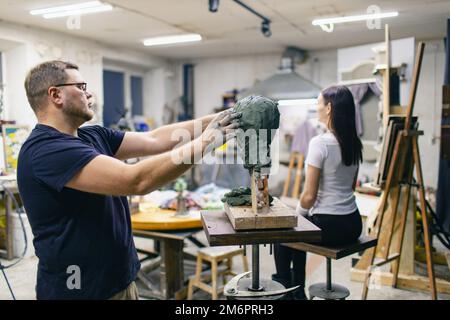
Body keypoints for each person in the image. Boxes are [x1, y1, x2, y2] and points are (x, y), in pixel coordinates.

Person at [17, 60, 241, 300]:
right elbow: (136, 180)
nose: (88, 93)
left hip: (119, 281)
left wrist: (224, 117)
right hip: (80, 290)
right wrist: (206, 143)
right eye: (81, 86)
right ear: (56, 95)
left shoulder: (92, 135)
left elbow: (154, 139)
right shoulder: (46, 150)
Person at [273, 85, 363, 300]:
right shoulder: (354, 143)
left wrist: (296, 216)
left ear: (329, 108)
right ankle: (297, 291)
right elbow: (350, 187)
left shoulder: (320, 143)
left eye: (319, 103)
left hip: (330, 226)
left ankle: (287, 291)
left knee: (281, 235)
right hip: (353, 223)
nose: (317, 107)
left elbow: (309, 196)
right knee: (300, 232)